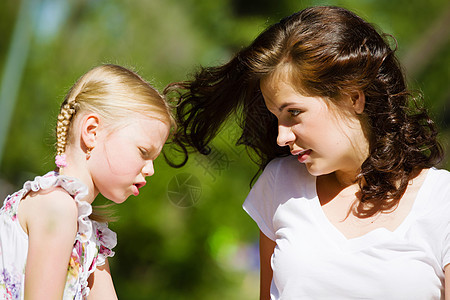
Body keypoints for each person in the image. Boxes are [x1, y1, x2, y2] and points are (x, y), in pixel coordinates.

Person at [165, 6, 450, 299]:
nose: (281, 136)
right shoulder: (280, 184)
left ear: (354, 97)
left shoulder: (442, 200)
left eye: (294, 112)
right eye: (276, 116)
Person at [0, 64, 174, 299]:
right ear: (92, 131)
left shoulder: (91, 237)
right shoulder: (56, 207)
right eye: (143, 152)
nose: (151, 169)